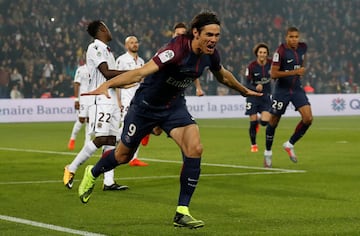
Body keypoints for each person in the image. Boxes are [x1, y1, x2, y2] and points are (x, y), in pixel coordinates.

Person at [79, 11, 262, 229]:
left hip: (174, 107)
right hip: (145, 107)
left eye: (217, 35)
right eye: (209, 35)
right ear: (195, 33)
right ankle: (94, 171)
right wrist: (108, 85)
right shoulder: (175, 50)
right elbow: (140, 73)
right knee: (123, 155)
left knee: (195, 148)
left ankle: (182, 212)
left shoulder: (210, 54)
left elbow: (221, 74)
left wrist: (243, 91)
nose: (214, 40)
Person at [63, 20, 129, 191]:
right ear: (101, 29)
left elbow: (114, 79)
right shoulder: (96, 48)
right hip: (101, 99)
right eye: (107, 27)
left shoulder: (107, 50)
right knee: (101, 139)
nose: (110, 30)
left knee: (112, 141)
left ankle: (108, 181)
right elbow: (107, 73)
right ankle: (72, 167)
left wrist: (128, 82)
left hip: (112, 98)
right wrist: (133, 73)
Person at [264, 27, 312, 168]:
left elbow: (303, 61)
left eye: (296, 36)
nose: (294, 39)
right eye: (291, 37)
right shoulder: (281, 51)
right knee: (274, 121)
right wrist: (295, 71)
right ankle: (268, 153)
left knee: (308, 118)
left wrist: (301, 70)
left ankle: (289, 144)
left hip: (296, 88)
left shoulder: (303, 47)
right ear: (286, 37)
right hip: (282, 90)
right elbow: (273, 74)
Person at [115, 36, 148, 167]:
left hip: (139, 99)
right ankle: (108, 141)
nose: (135, 44)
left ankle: (134, 158)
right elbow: (117, 80)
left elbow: (144, 81)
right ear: (126, 45)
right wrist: (118, 101)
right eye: (131, 43)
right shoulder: (121, 60)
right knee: (125, 127)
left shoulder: (141, 61)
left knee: (137, 126)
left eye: (136, 42)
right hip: (126, 99)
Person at [244, 43, 272, 153]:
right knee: (253, 120)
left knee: (265, 121)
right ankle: (254, 145)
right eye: (260, 52)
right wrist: (255, 87)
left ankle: (259, 123)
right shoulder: (251, 66)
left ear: (267, 54)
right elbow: (246, 83)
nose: (262, 54)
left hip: (265, 97)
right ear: (257, 54)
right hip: (253, 97)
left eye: (264, 53)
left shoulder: (271, 65)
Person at [172, 22, 204, 97]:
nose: (180, 38)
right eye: (178, 35)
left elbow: (193, 71)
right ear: (173, 36)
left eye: (183, 35)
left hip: (178, 93)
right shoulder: (165, 52)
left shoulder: (189, 54)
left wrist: (198, 88)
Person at [67, 59, 92, 150]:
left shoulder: (96, 69)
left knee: (90, 120)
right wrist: (76, 99)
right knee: (81, 119)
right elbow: (76, 84)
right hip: (83, 97)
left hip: (93, 97)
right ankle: (72, 139)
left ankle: (87, 143)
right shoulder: (80, 70)